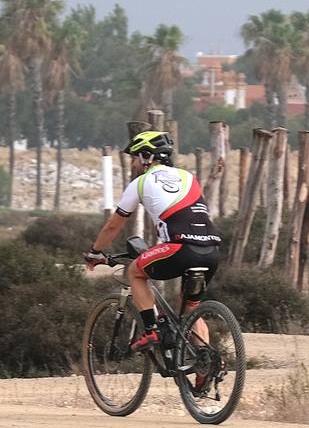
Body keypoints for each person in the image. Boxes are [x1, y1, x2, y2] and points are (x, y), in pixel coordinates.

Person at [83, 130, 221, 353]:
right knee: (191, 309)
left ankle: (152, 329)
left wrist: (95, 252)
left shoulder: (141, 182)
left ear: (147, 156)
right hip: (211, 250)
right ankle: (207, 362)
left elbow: (113, 226)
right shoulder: (189, 177)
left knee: (135, 272)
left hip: (179, 249)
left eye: (135, 158)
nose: (133, 164)